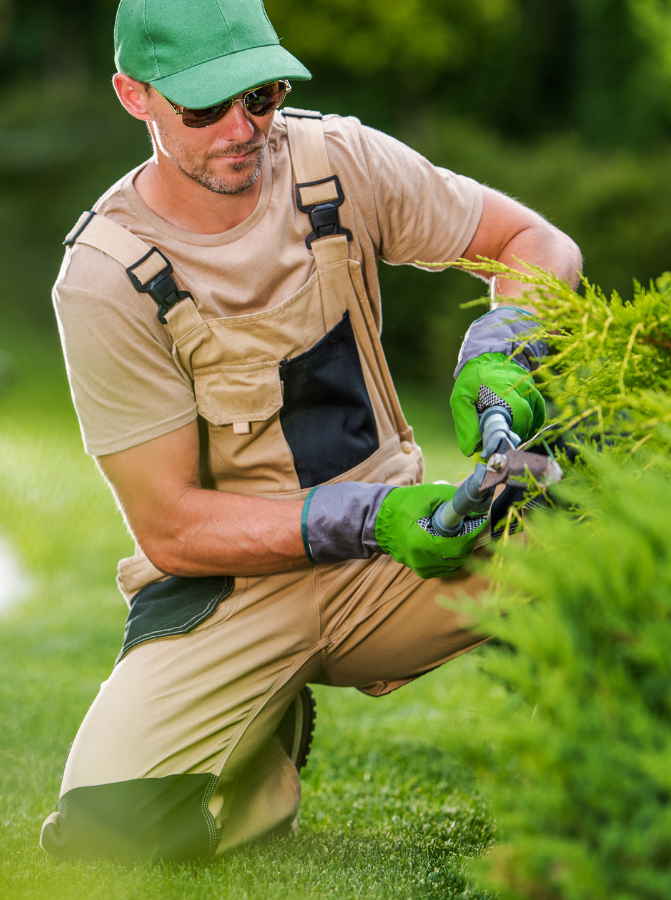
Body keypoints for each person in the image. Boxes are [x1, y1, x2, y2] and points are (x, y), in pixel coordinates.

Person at [39, 0, 582, 864]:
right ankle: (265, 737)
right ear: (133, 96)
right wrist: (365, 518)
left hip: (403, 559)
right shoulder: (108, 277)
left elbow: (531, 241)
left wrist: (503, 354)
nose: (242, 129)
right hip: (232, 588)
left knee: (612, 542)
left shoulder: (338, 160)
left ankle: (612, 786)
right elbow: (172, 527)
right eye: (204, 108)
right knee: (111, 835)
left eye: (262, 95)